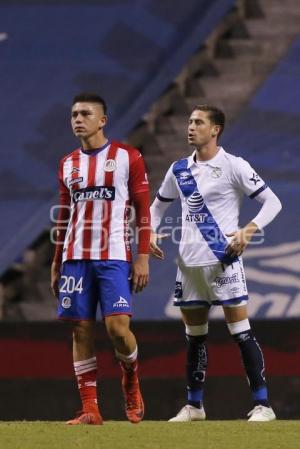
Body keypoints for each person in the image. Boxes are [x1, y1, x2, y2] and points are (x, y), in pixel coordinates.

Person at [150, 105, 282, 422]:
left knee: (241, 331)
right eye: (190, 121)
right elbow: (157, 206)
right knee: (195, 336)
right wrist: (151, 232)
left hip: (223, 260)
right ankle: (194, 407)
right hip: (189, 265)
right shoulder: (178, 169)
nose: (191, 127)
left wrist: (248, 230)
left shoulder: (234, 166)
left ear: (215, 129)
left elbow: (272, 202)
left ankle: (263, 405)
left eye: (198, 122)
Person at [51, 92, 150, 425]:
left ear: (102, 120)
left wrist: (143, 257)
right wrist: (55, 261)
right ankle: (90, 408)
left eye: (85, 114)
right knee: (80, 329)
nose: (78, 119)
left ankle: (131, 379)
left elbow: (143, 210)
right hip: (75, 257)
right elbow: (64, 216)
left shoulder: (127, 156)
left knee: (117, 328)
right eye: (74, 114)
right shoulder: (67, 163)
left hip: (114, 256)